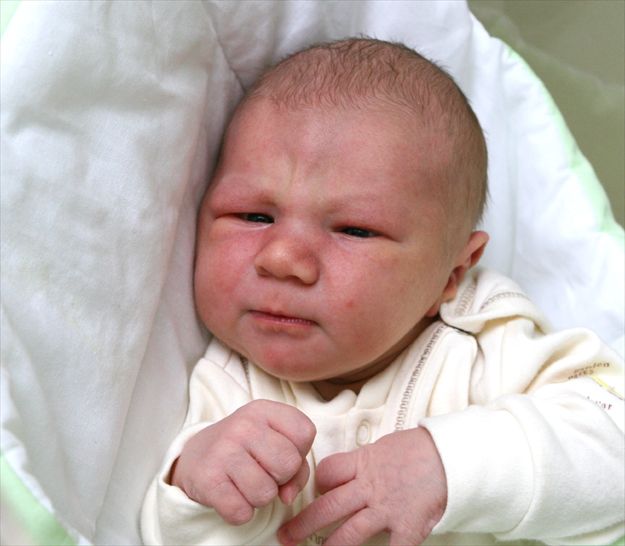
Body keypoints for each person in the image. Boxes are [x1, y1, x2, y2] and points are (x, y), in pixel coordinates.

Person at [141, 38, 624, 546]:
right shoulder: (220, 388)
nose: (281, 258)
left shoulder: (482, 344)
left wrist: (452, 467)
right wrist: (196, 492)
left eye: (354, 229)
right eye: (253, 216)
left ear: (451, 274)